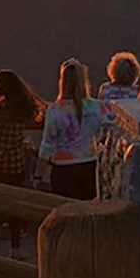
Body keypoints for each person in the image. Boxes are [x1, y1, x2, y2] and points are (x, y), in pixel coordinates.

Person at [0, 70, 45, 257]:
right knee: (15, 204)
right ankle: (15, 249)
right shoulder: (21, 110)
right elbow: (37, 115)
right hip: (14, 165)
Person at [36, 58, 106, 200]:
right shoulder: (97, 107)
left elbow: (47, 146)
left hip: (64, 171)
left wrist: (38, 175)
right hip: (89, 167)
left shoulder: (55, 110)